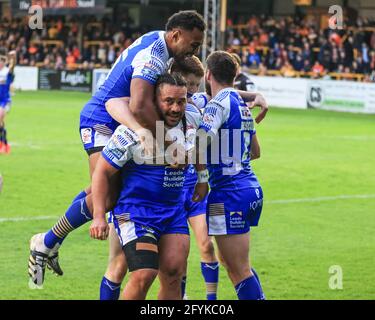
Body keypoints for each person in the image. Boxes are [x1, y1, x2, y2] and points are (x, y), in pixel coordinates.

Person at [28, 10, 206, 291]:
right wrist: (169, 143)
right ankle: (46, 242)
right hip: (101, 119)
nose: (195, 50)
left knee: (100, 196)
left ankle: (50, 241)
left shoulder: (157, 44)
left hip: (116, 120)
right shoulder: (154, 55)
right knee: (107, 196)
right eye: (194, 44)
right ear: (176, 35)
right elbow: (136, 105)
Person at [90, 73, 208, 300]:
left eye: (181, 101)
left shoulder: (191, 119)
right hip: (136, 213)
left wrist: (202, 178)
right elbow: (102, 171)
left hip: (173, 212)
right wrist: (98, 216)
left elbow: (198, 145)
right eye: (169, 101)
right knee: (144, 274)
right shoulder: (132, 131)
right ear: (155, 100)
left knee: (174, 274)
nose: (176, 108)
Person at [198, 51, 266, 300]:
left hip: (227, 194)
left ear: (208, 74)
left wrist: (202, 177)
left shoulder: (217, 105)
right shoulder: (241, 105)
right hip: (249, 188)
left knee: (239, 270)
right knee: (236, 266)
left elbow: (199, 142)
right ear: (235, 76)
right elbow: (256, 152)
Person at [170, 56, 219, 300]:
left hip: (195, 188)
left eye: (196, 84)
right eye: (188, 83)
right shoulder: (164, 106)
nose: (192, 90)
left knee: (207, 245)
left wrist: (254, 97)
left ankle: (212, 299)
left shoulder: (198, 101)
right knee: (179, 253)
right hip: (174, 190)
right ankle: (182, 297)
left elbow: (225, 95)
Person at [0, 49, 15, 154]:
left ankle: (2, 144)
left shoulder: (6, 71)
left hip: (5, 101)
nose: (0, 62)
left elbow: (12, 68)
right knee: (1, 124)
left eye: (2, 60)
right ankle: (5, 144)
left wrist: (13, 58)